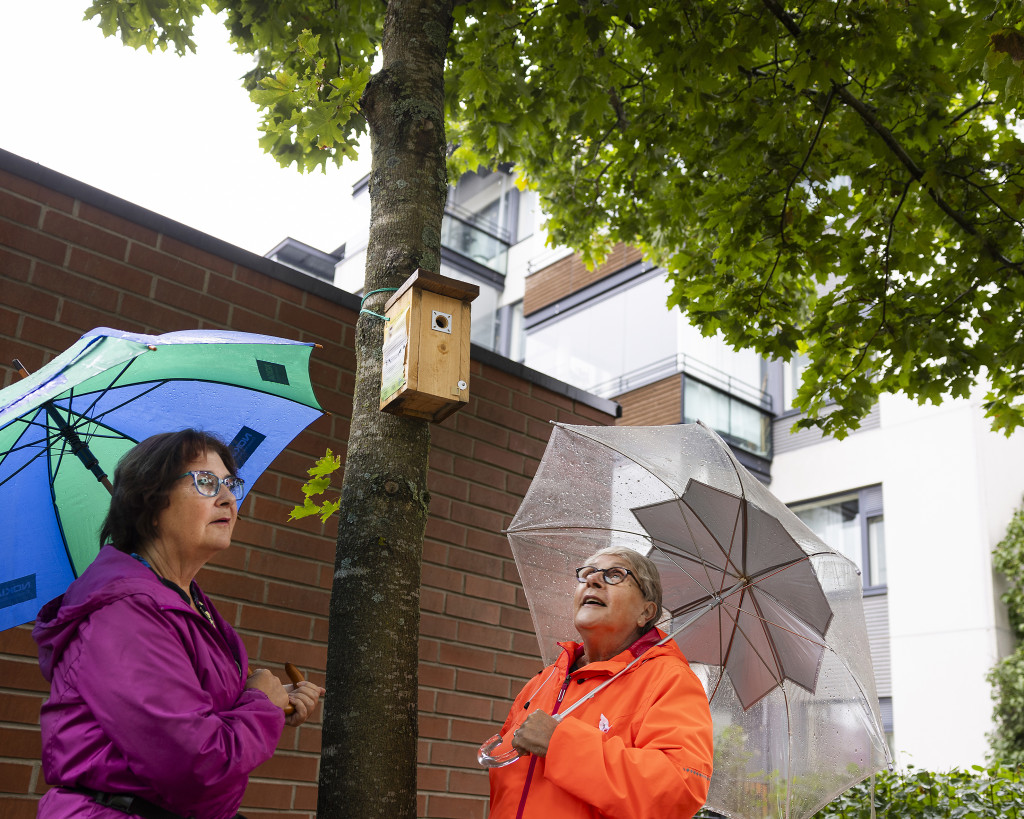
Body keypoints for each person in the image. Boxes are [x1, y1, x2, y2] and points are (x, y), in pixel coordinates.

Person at [32, 429, 325, 819]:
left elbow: (193, 711)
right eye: (205, 482)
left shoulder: (181, 598)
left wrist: (273, 700)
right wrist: (261, 705)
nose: (227, 498)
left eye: (229, 483)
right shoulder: (124, 613)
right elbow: (195, 765)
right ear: (150, 504)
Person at [487, 547, 713, 818]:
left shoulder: (671, 680)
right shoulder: (543, 681)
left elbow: (678, 789)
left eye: (615, 575)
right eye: (587, 573)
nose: (593, 580)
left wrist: (560, 744)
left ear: (646, 612)